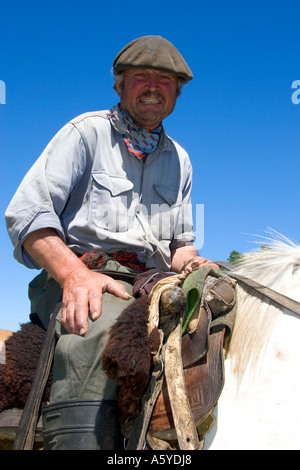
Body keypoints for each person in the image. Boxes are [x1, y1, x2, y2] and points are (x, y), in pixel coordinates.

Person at [5, 35, 218, 450]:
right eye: (141, 76)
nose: (154, 86)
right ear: (119, 85)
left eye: (165, 79)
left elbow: (180, 246)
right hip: (83, 273)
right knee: (98, 332)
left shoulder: (181, 159)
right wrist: (74, 275)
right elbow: (26, 212)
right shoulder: (85, 134)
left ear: (177, 93)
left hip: (153, 283)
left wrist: (194, 263)